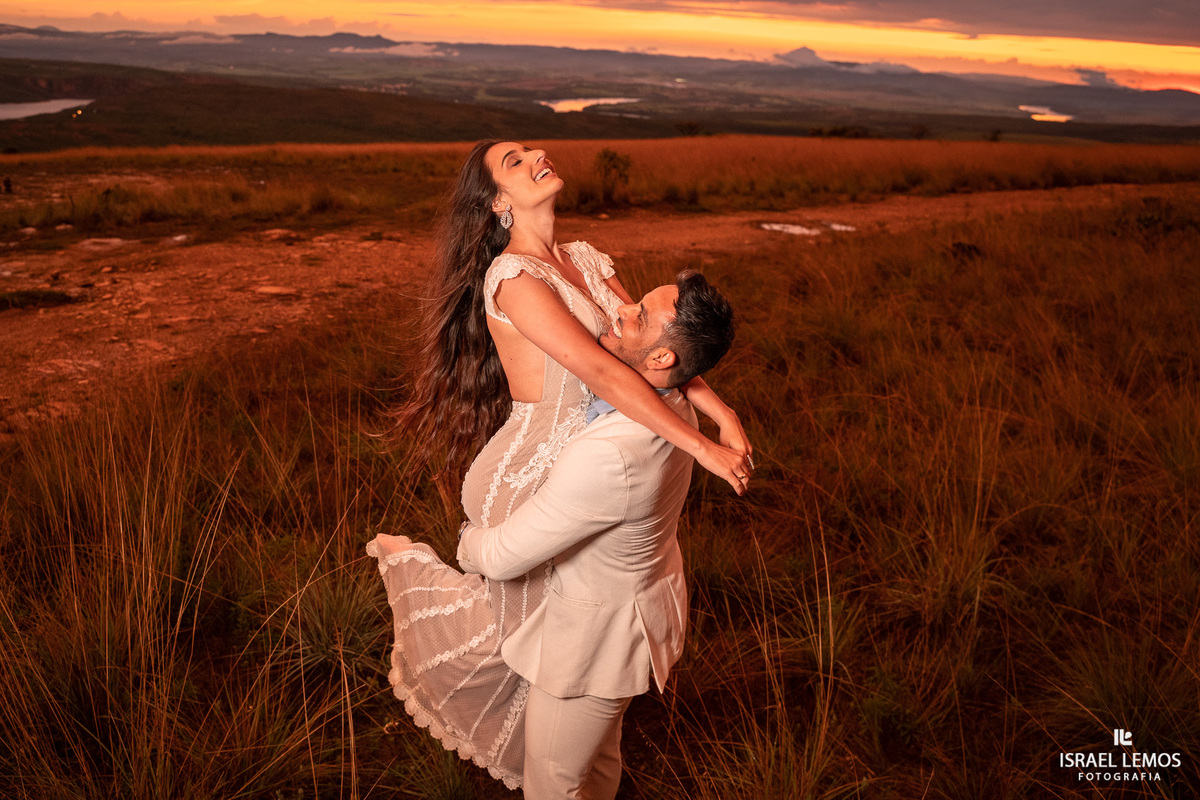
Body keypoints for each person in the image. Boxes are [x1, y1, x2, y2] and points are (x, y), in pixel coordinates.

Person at [367, 140, 751, 788]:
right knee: (525, 622)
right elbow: (600, 368)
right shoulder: (513, 278)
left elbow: (662, 350)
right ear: (498, 202)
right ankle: (556, 743)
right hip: (532, 465)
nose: (535, 155)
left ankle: (570, 740)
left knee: (564, 629)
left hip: (587, 463)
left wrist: (723, 413)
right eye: (514, 162)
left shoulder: (584, 259)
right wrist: (700, 445)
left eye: (529, 149)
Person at [456, 270, 737, 799]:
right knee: (599, 760)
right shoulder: (673, 402)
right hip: (634, 609)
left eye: (639, 316)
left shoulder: (611, 456)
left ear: (662, 358)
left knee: (553, 782)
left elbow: (501, 557)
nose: (621, 310)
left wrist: (468, 536)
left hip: (595, 641)